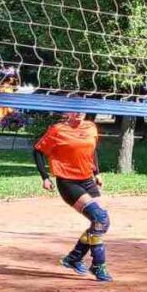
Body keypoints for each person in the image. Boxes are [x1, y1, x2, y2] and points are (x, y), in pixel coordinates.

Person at [33, 111, 113, 282]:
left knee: (102, 222)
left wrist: (97, 173)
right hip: (68, 182)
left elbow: (92, 151)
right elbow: (38, 150)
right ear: (68, 112)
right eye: (75, 110)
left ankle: (74, 258)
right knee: (99, 218)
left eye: (81, 110)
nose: (78, 114)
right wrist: (45, 177)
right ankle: (98, 264)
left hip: (87, 180)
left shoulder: (91, 127)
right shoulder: (58, 129)